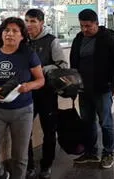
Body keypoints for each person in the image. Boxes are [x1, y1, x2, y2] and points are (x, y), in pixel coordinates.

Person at [0, 17, 45, 179]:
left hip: (22, 111)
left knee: (20, 157)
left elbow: (40, 80)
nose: (10, 34)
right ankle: (1, 174)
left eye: (15, 31)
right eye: (6, 30)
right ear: (1, 33)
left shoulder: (28, 54)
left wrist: (28, 86)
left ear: (22, 36)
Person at [70, 9, 114, 169]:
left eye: (88, 26)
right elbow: (74, 62)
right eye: (81, 26)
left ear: (97, 24)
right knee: (87, 122)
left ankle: (108, 152)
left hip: (103, 88)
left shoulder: (108, 39)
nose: (84, 29)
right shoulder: (79, 39)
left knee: (105, 122)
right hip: (83, 89)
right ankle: (90, 152)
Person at [24, 9, 67, 179]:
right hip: (27, 93)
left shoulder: (51, 41)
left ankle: (46, 165)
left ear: (41, 23)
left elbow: (62, 65)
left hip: (47, 93)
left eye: (33, 21)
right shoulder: (23, 41)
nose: (29, 24)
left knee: (49, 130)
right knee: (25, 130)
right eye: (27, 20)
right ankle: (28, 165)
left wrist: (42, 70)